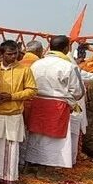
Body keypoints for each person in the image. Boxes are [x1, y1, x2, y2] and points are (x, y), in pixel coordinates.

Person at [25, 35, 85, 169]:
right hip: (58, 105)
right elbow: (78, 91)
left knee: (36, 134)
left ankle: (31, 162)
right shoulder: (69, 66)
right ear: (66, 49)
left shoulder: (37, 63)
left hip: (37, 102)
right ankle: (49, 166)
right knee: (54, 140)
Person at [0, 41, 37, 184]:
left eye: (15, 53)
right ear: (1, 54)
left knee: (11, 146)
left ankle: (9, 177)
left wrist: (11, 96)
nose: (13, 56)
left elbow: (32, 90)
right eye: (9, 54)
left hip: (13, 114)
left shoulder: (24, 70)